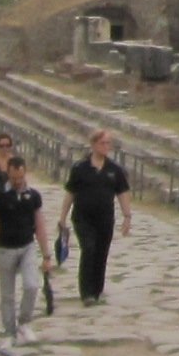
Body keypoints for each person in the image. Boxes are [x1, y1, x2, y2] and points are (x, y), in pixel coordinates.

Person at [58, 129, 135, 308]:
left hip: (105, 218)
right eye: (102, 143)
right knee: (89, 248)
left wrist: (127, 216)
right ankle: (86, 292)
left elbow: (122, 192)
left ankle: (96, 290)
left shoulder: (114, 169)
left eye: (108, 143)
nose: (106, 146)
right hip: (83, 217)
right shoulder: (80, 168)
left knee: (101, 253)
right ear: (93, 144)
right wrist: (62, 217)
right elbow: (70, 192)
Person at [0, 144, 49, 341]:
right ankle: (9, 331)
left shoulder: (33, 196)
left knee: (31, 285)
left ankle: (24, 322)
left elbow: (40, 225)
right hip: (5, 247)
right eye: (14, 178)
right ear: (8, 174)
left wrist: (46, 255)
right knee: (7, 294)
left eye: (20, 178)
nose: (17, 182)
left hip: (27, 245)